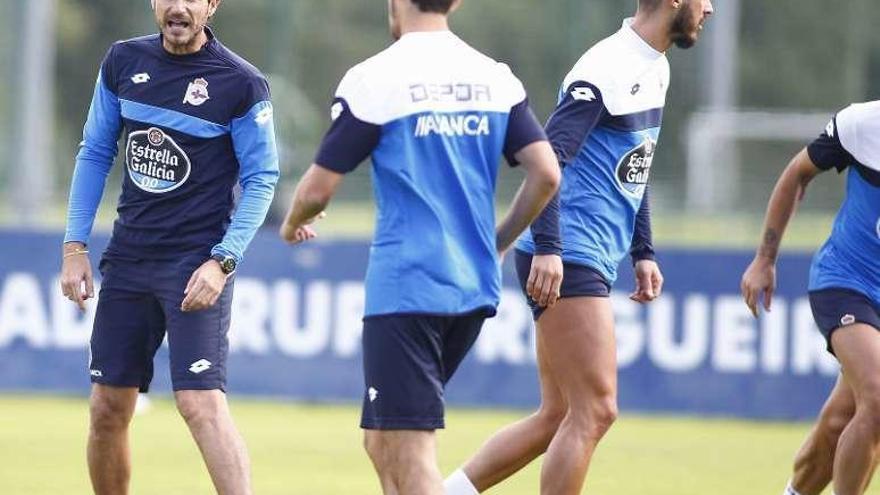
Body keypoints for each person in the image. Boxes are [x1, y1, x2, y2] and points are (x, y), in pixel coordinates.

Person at [278, 0, 560, 492]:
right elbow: (546, 173)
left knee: (410, 455)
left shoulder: (376, 80)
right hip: (470, 290)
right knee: (382, 441)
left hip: (408, 289)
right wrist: (495, 243)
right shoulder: (494, 78)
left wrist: (292, 222)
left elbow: (318, 190)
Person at [444, 1, 714, 494]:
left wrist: (643, 250)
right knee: (596, 409)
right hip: (567, 252)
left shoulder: (656, 67)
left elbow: (638, 164)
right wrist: (548, 246)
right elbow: (549, 158)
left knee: (558, 415)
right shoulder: (605, 67)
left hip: (582, 251)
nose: (710, 8)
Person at [59, 0, 279, 493]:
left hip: (195, 264)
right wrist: (75, 246)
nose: (178, 7)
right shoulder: (122, 61)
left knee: (200, 403)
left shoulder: (241, 83)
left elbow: (263, 178)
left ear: (212, 5)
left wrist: (223, 261)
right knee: (108, 407)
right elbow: (95, 151)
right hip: (130, 259)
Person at [742, 101, 880, 495]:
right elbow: (797, 174)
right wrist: (764, 259)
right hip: (846, 282)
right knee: (878, 397)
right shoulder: (864, 124)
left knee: (839, 425)